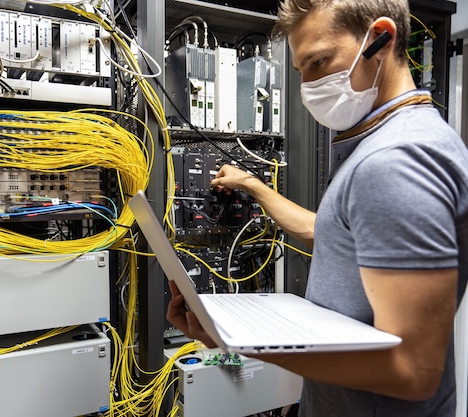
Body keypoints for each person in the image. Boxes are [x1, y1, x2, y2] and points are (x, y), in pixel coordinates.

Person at [166, 0, 468, 416]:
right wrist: (253, 184)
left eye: (319, 62)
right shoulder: (393, 141)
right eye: (301, 70)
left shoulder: (395, 160)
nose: (307, 86)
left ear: (382, 40)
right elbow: (334, 232)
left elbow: (412, 371)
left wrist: (243, 343)